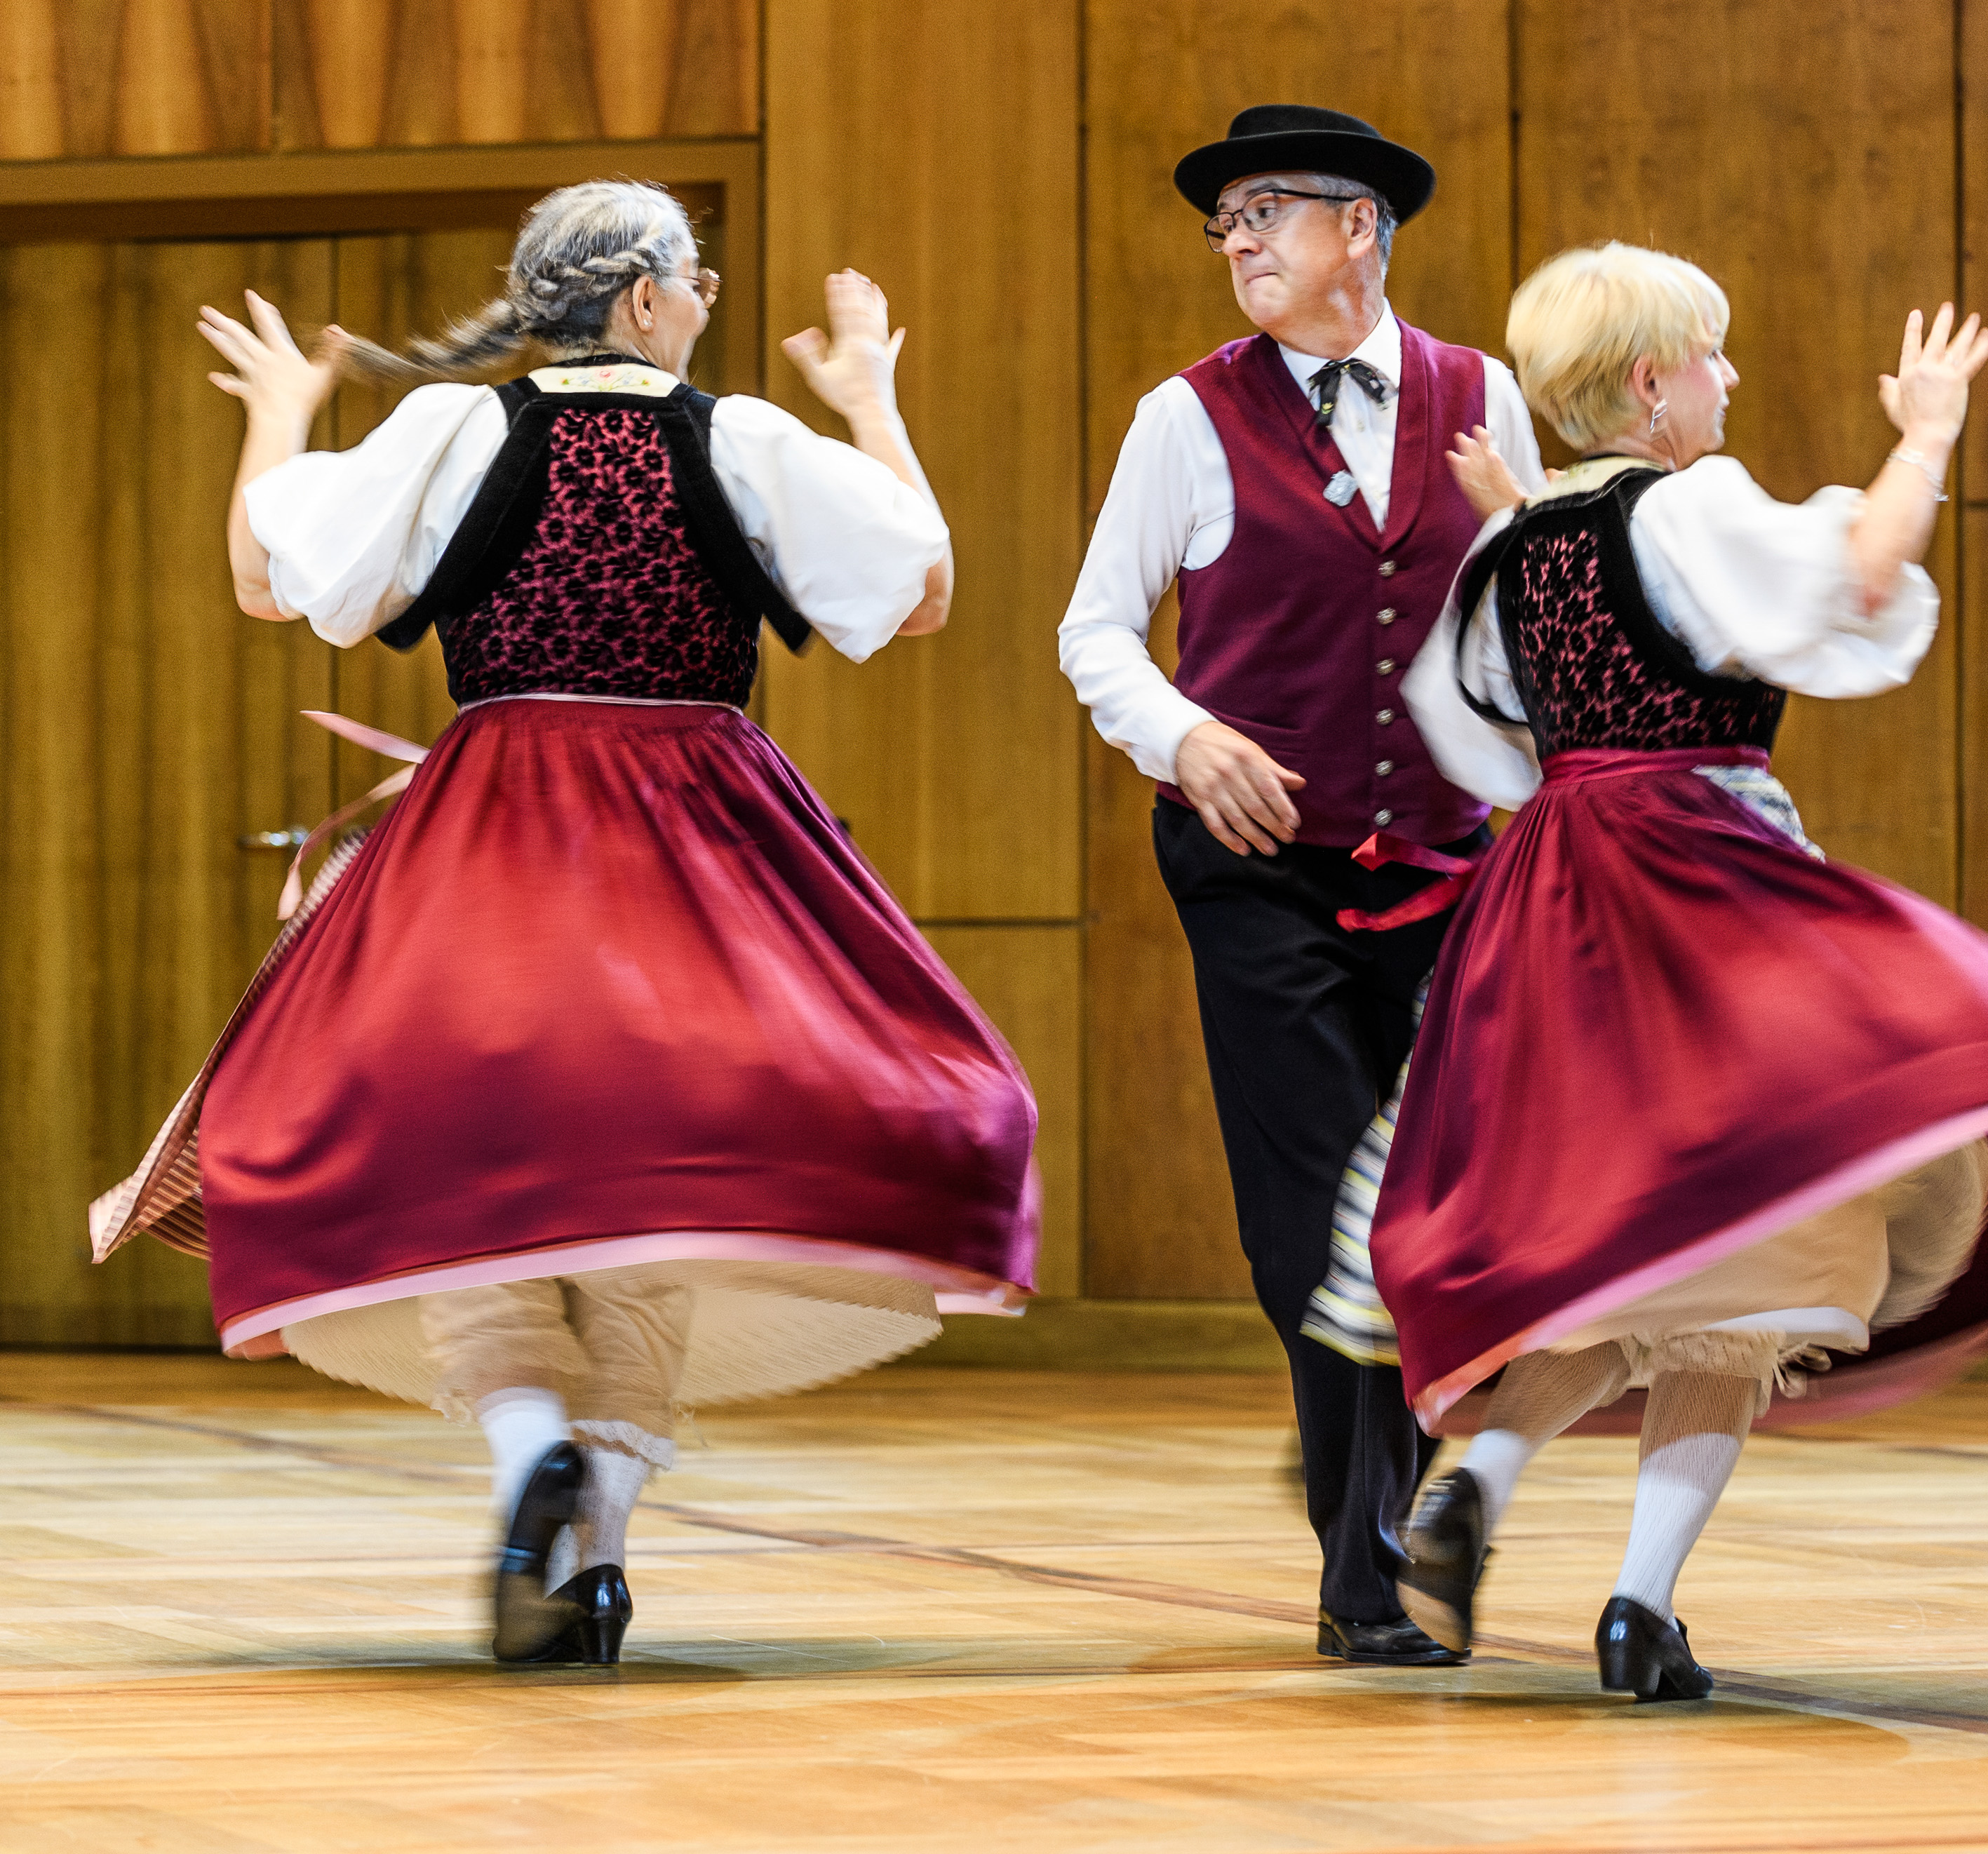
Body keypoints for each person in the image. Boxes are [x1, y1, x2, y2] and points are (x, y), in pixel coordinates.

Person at [89, 180, 1040, 1669]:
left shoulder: (456, 432)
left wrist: (281, 412)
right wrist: (873, 401)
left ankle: (531, 1449)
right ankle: (592, 1536)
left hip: (494, 833)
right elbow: (921, 592)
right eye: (700, 279)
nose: (712, 299)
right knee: (653, 1184)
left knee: (475, 1165)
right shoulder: (739, 437)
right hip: (698, 838)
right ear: (647, 298)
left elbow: (266, 580)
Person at [1370, 244, 1988, 1700]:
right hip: (1694, 872)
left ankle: (1477, 1471)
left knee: (1619, 1244)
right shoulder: (1697, 503)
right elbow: (1862, 574)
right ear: (1656, 379)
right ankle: (1638, 1602)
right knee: (1769, 1247)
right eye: (1717, 356)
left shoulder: (1513, 545)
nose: (1731, 380)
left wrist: (1527, 529)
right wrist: (1924, 433)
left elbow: (1477, 728)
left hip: (1550, 893)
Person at [1058, 105, 1543, 1664]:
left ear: (1365, 229)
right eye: (1226, 221)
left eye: (1270, 210)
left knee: (1422, 1217)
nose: (1240, 240)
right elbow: (1096, 635)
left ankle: (1363, 1500)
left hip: (1450, 870)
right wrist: (1186, 736)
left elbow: (1517, 624)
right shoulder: (1181, 419)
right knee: (1310, 1229)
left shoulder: (1486, 397)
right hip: (1262, 878)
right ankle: (1368, 1569)